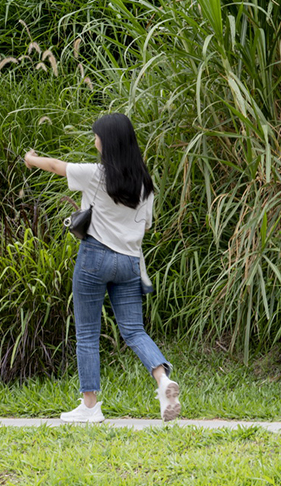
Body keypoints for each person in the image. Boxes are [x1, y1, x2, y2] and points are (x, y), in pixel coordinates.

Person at [23, 113, 181, 423]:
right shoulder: (145, 184)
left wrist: (31, 158)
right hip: (129, 263)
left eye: (97, 136)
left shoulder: (96, 173)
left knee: (87, 334)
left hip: (95, 257)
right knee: (135, 331)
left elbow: (55, 166)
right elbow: (144, 227)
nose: (94, 140)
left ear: (107, 142)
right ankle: (163, 381)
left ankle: (90, 406)